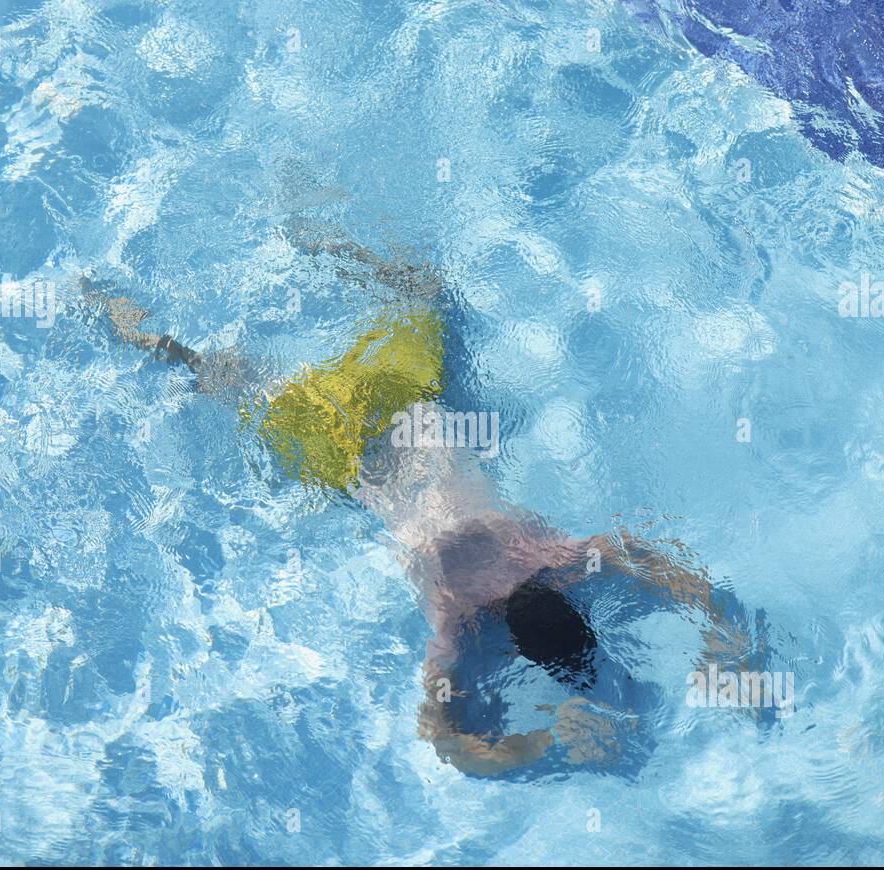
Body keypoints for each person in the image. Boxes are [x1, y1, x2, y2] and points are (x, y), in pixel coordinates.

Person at [80, 224, 754, 777]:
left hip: (405, 407)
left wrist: (724, 638)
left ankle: (313, 235)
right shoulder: (456, 617)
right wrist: (548, 745)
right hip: (338, 449)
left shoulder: (558, 556)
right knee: (211, 370)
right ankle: (129, 320)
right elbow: (448, 739)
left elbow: (655, 561)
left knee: (433, 296)